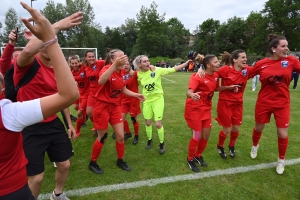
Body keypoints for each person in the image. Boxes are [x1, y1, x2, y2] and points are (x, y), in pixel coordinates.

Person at [0, 2, 79, 199]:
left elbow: (63, 100)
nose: (49, 43)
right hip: (29, 127)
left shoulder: (60, 71)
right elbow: (26, 52)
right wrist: (55, 27)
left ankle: (57, 195)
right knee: (36, 178)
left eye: (51, 41)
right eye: (44, 41)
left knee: (65, 164)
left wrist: (69, 123)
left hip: (52, 123)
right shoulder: (27, 65)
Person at [249, 34, 300, 175]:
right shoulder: (261, 64)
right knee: (258, 128)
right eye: (283, 46)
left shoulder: (291, 61)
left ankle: (281, 160)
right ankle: (254, 146)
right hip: (264, 102)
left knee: (282, 134)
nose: (286, 48)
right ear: (273, 49)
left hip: (282, 103)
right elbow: (245, 74)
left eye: (286, 46)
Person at [88, 49, 145, 174]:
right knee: (102, 137)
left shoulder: (122, 71)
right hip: (102, 106)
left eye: (124, 56)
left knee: (120, 136)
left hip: (115, 106)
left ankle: (120, 160)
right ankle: (93, 162)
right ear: (113, 60)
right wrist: (114, 66)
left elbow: (123, 88)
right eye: (120, 57)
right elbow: (101, 81)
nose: (124, 59)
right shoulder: (107, 68)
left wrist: (136, 95)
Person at [133, 55, 190, 154]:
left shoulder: (156, 70)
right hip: (147, 101)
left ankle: (162, 143)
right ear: (139, 64)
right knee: (147, 123)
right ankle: (150, 140)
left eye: (148, 61)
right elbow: (135, 83)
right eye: (144, 61)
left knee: (158, 124)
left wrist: (185, 64)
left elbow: (172, 69)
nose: (147, 63)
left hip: (158, 99)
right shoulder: (138, 75)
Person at [185, 54, 220, 172]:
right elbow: (188, 91)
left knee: (206, 136)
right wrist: (192, 94)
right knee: (197, 136)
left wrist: (229, 87)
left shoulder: (216, 75)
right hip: (194, 109)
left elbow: (216, 88)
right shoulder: (197, 76)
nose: (218, 63)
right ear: (209, 65)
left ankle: (198, 155)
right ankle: (190, 159)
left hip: (206, 109)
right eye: (216, 62)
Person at [214, 50, 252, 158]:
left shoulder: (247, 70)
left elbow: (261, 69)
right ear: (235, 60)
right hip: (225, 103)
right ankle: (220, 146)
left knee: (236, 129)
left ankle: (231, 145)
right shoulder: (225, 70)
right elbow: (216, 87)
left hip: (238, 104)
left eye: (246, 57)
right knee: (227, 129)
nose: (245, 59)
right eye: (243, 57)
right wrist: (228, 87)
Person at [83, 49, 105, 132]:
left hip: (101, 91)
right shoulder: (85, 67)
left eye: (93, 56)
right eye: (89, 57)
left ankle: (100, 127)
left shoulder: (100, 63)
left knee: (101, 112)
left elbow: (111, 61)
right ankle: (96, 125)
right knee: (89, 112)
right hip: (92, 92)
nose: (92, 58)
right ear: (85, 58)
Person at [121, 60, 141, 144]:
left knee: (133, 119)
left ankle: (136, 135)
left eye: (127, 64)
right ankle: (128, 133)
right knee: (121, 118)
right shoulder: (120, 74)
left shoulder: (135, 74)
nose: (125, 66)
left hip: (133, 100)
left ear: (130, 65)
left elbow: (143, 73)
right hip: (123, 100)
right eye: (124, 64)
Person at [70, 55, 90, 137]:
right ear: (70, 64)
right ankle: (85, 118)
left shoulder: (84, 68)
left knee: (79, 113)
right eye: (72, 63)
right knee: (75, 107)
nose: (74, 65)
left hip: (87, 93)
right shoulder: (71, 72)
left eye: (76, 63)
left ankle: (77, 131)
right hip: (79, 93)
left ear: (79, 62)